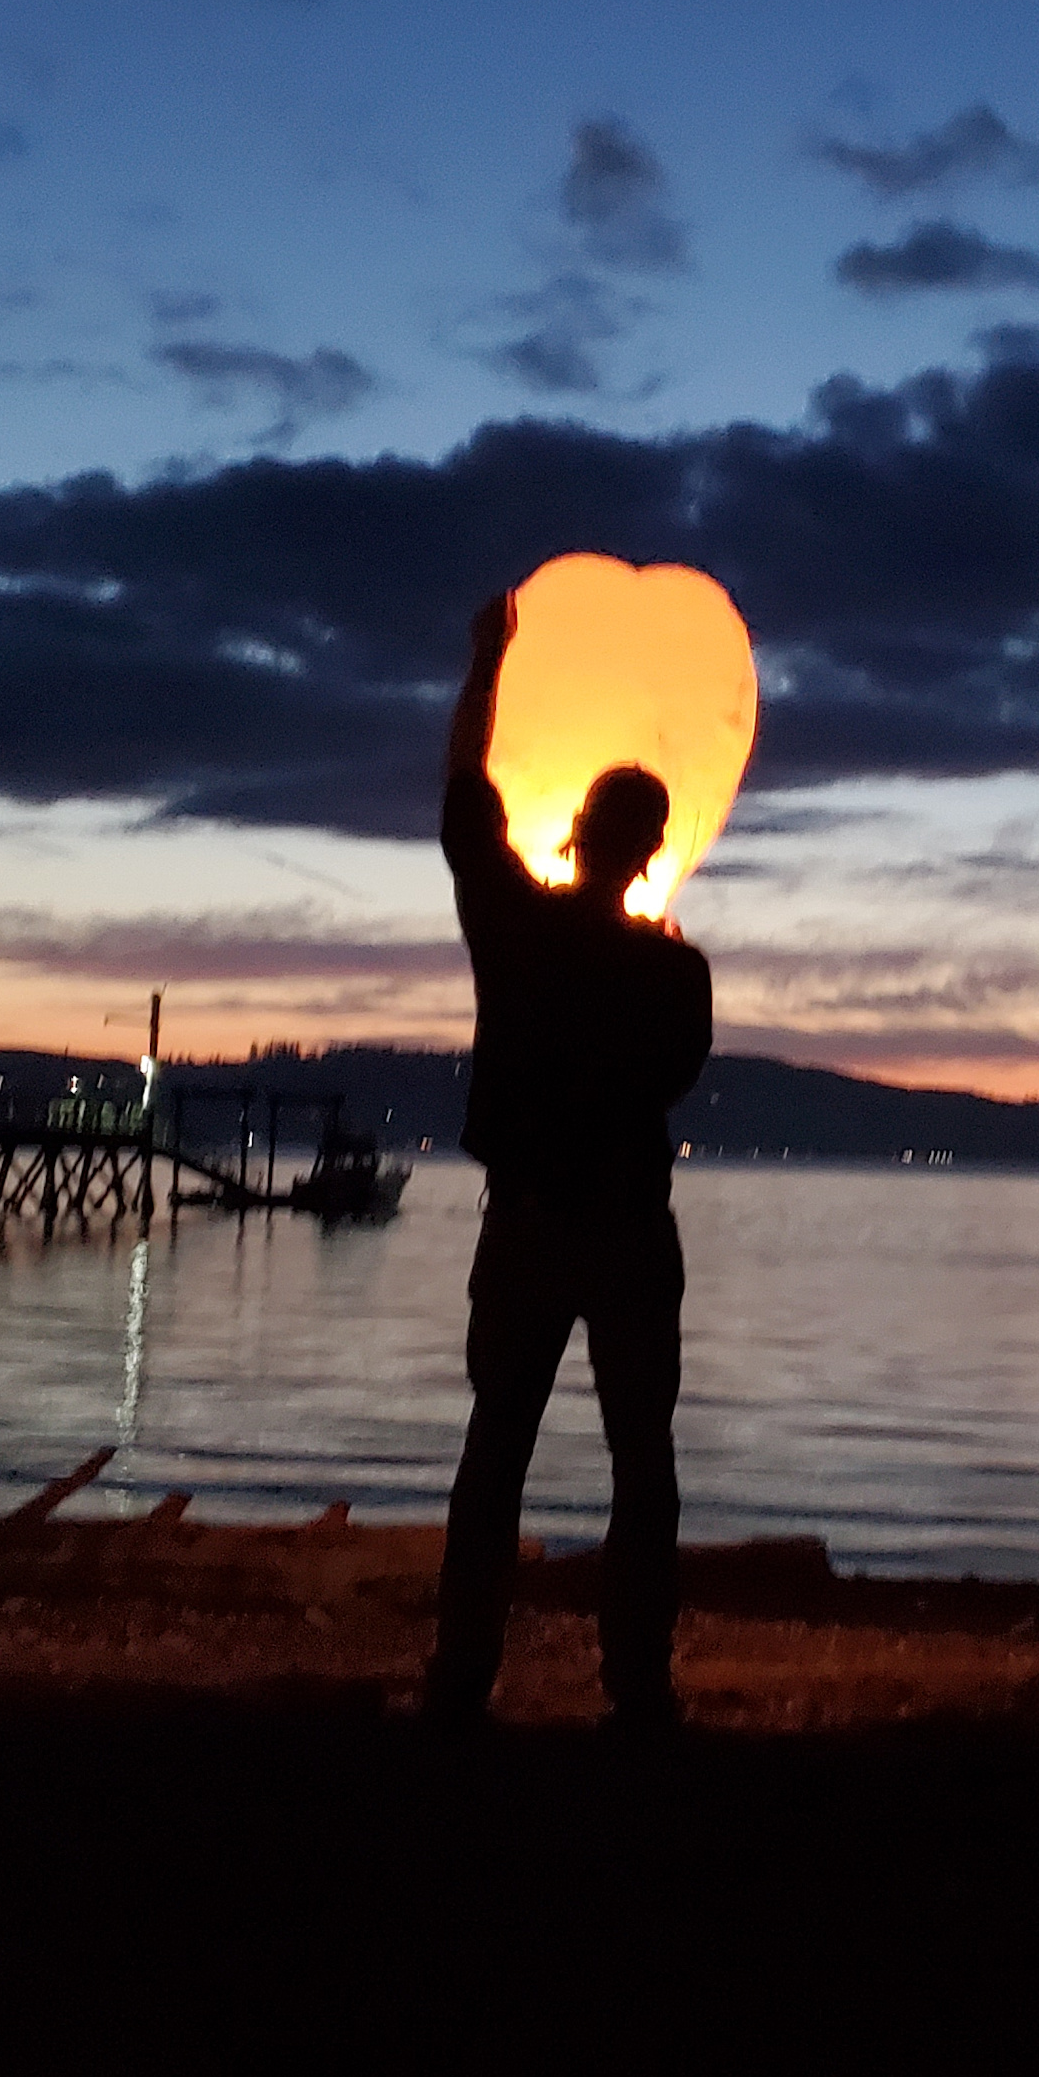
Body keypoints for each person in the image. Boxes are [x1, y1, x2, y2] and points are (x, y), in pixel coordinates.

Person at [427, 589, 715, 1729]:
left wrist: (487, 660)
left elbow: (464, 798)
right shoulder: (676, 973)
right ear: (653, 849)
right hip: (633, 1229)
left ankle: (460, 1680)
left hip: (532, 1221)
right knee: (642, 1459)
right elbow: (674, 1081)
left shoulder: (516, 926)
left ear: (581, 830)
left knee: (495, 1449)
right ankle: (637, 1685)